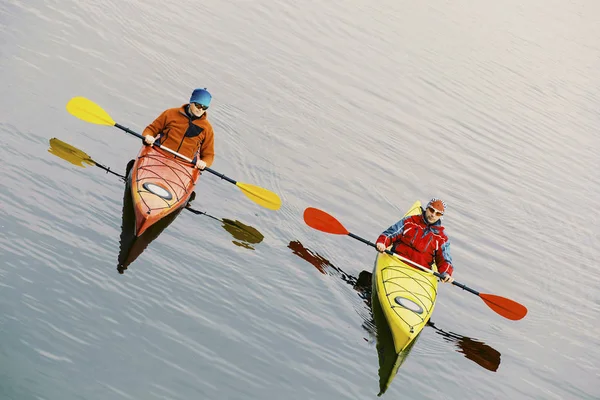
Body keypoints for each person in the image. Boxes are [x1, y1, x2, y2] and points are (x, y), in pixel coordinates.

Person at [375, 198, 455, 283]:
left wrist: (446, 273)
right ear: (427, 208)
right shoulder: (409, 221)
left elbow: (445, 259)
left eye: (438, 213)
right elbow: (390, 234)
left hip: (420, 274)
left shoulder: (441, 238)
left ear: (440, 216)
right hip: (396, 262)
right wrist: (382, 243)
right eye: (432, 210)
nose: (433, 215)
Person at [142, 88, 215, 170]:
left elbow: (209, 155)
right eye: (198, 105)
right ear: (191, 102)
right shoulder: (170, 113)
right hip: (159, 153)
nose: (200, 109)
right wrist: (148, 137)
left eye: (204, 107)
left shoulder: (207, 128)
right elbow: (151, 129)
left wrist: (204, 163)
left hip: (185, 165)